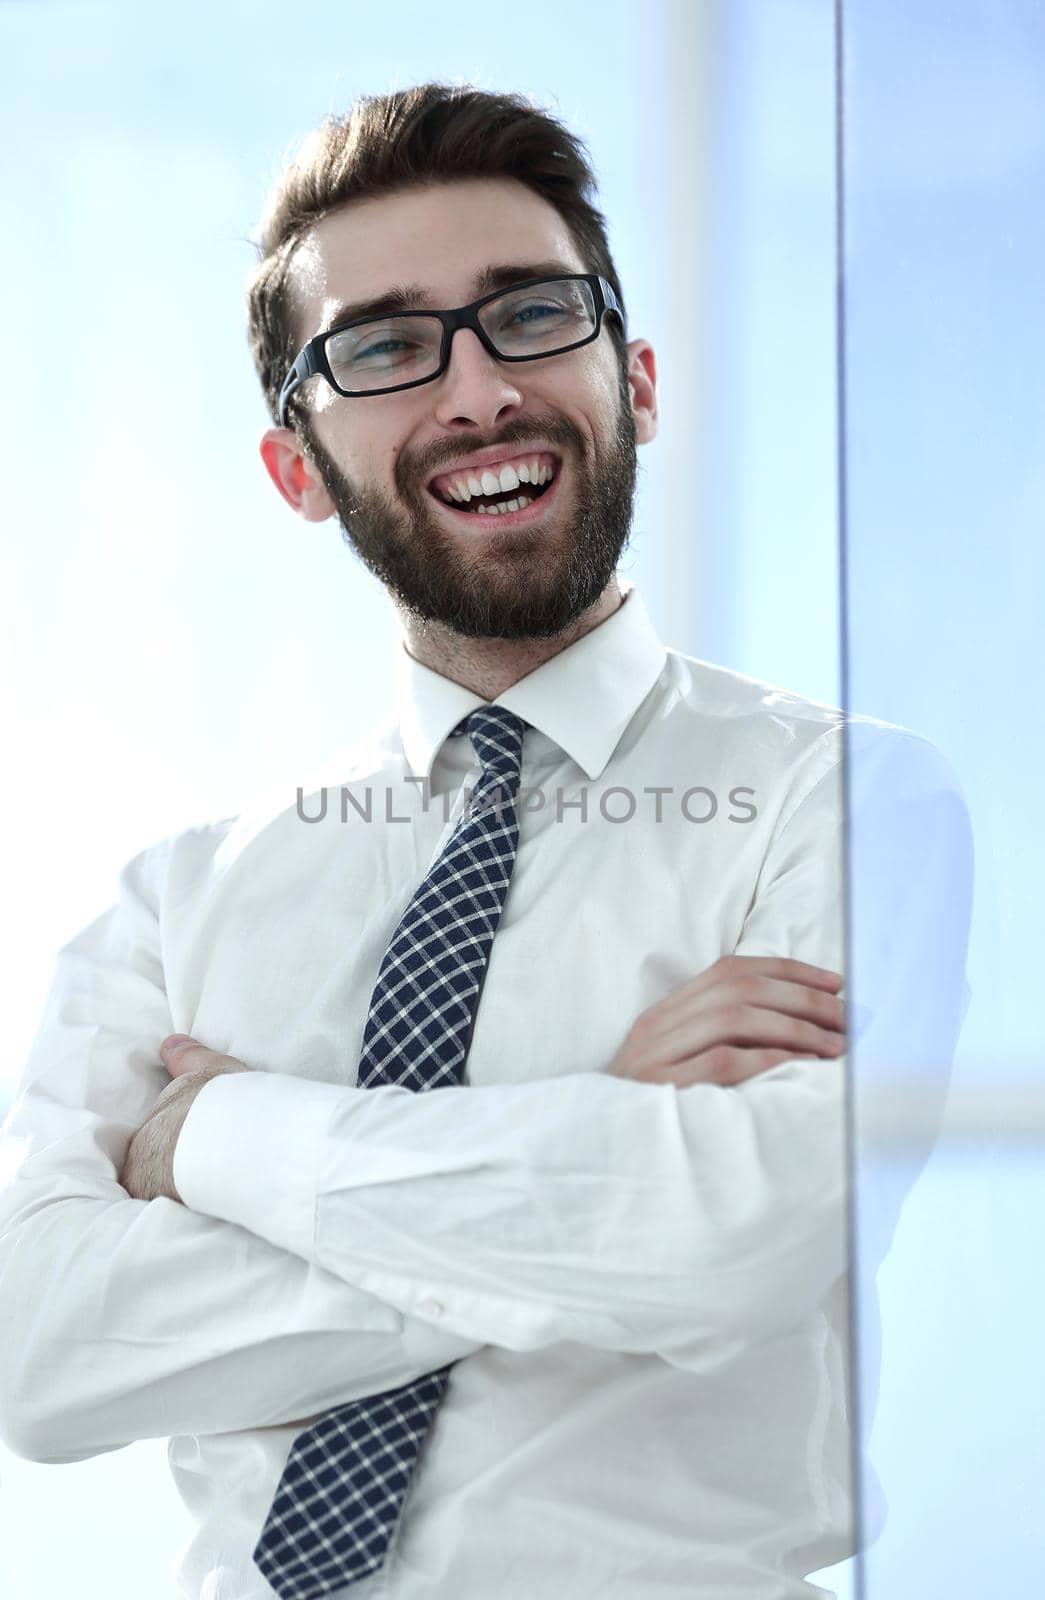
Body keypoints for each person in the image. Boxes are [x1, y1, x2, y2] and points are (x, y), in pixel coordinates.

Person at [0, 81, 973, 1600]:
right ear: (296, 470)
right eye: (384, 346)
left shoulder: (842, 799)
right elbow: (46, 1352)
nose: (474, 393)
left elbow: (741, 1245)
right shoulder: (173, 900)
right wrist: (592, 1127)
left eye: (528, 316)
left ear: (634, 381)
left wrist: (228, 1138)